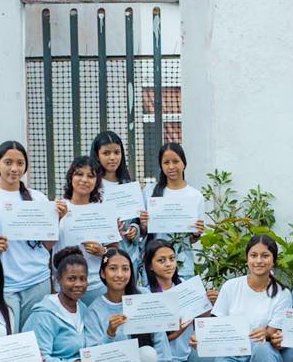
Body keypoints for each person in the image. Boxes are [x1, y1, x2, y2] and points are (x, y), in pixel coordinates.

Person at [83, 248, 189, 362]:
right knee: (146, 353)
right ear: (103, 273)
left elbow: (160, 342)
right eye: (113, 269)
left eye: (125, 269)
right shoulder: (95, 310)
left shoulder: (143, 297)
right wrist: (110, 333)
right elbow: (94, 356)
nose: (120, 274)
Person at [0, 140, 63, 330]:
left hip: (36, 281)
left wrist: (56, 219)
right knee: (8, 338)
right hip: (3, 283)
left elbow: (46, 245)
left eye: (20, 163)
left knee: (35, 337)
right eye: (8, 162)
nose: (14, 168)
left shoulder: (38, 198)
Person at [205, 234, 292, 362]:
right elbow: (216, 322)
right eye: (254, 255)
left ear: (274, 260)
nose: (259, 261)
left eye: (265, 256)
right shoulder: (231, 287)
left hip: (265, 356)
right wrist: (201, 337)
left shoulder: (282, 294)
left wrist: (265, 333)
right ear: (247, 258)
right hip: (233, 354)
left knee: (261, 348)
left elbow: (274, 330)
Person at [144, 237, 214, 362]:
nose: (169, 264)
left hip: (187, 351)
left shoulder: (184, 285)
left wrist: (208, 304)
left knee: (223, 359)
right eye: (161, 260)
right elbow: (155, 340)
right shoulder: (148, 295)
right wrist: (180, 329)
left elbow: (200, 321)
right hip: (168, 357)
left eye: (171, 258)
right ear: (150, 266)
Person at [55, 155, 121, 306]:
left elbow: (114, 250)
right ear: (70, 177)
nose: (84, 180)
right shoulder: (58, 207)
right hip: (64, 286)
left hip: (96, 285)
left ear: (97, 181)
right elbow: (47, 248)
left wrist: (102, 251)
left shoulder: (104, 210)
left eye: (91, 176)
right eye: (79, 174)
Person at [140, 143, 206, 278]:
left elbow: (192, 239)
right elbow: (143, 232)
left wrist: (196, 234)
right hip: (154, 267)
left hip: (182, 266)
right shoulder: (149, 191)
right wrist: (144, 225)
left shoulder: (195, 196)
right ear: (161, 165)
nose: (171, 167)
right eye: (166, 162)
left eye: (175, 161)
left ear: (184, 163)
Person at [91, 130, 147, 287]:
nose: (112, 157)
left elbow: (136, 221)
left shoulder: (128, 185)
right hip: (100, 259)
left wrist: (135, 229)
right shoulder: (92, 186)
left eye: (117, 152)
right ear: (97, 155)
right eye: (106, 153)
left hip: (128, 258)